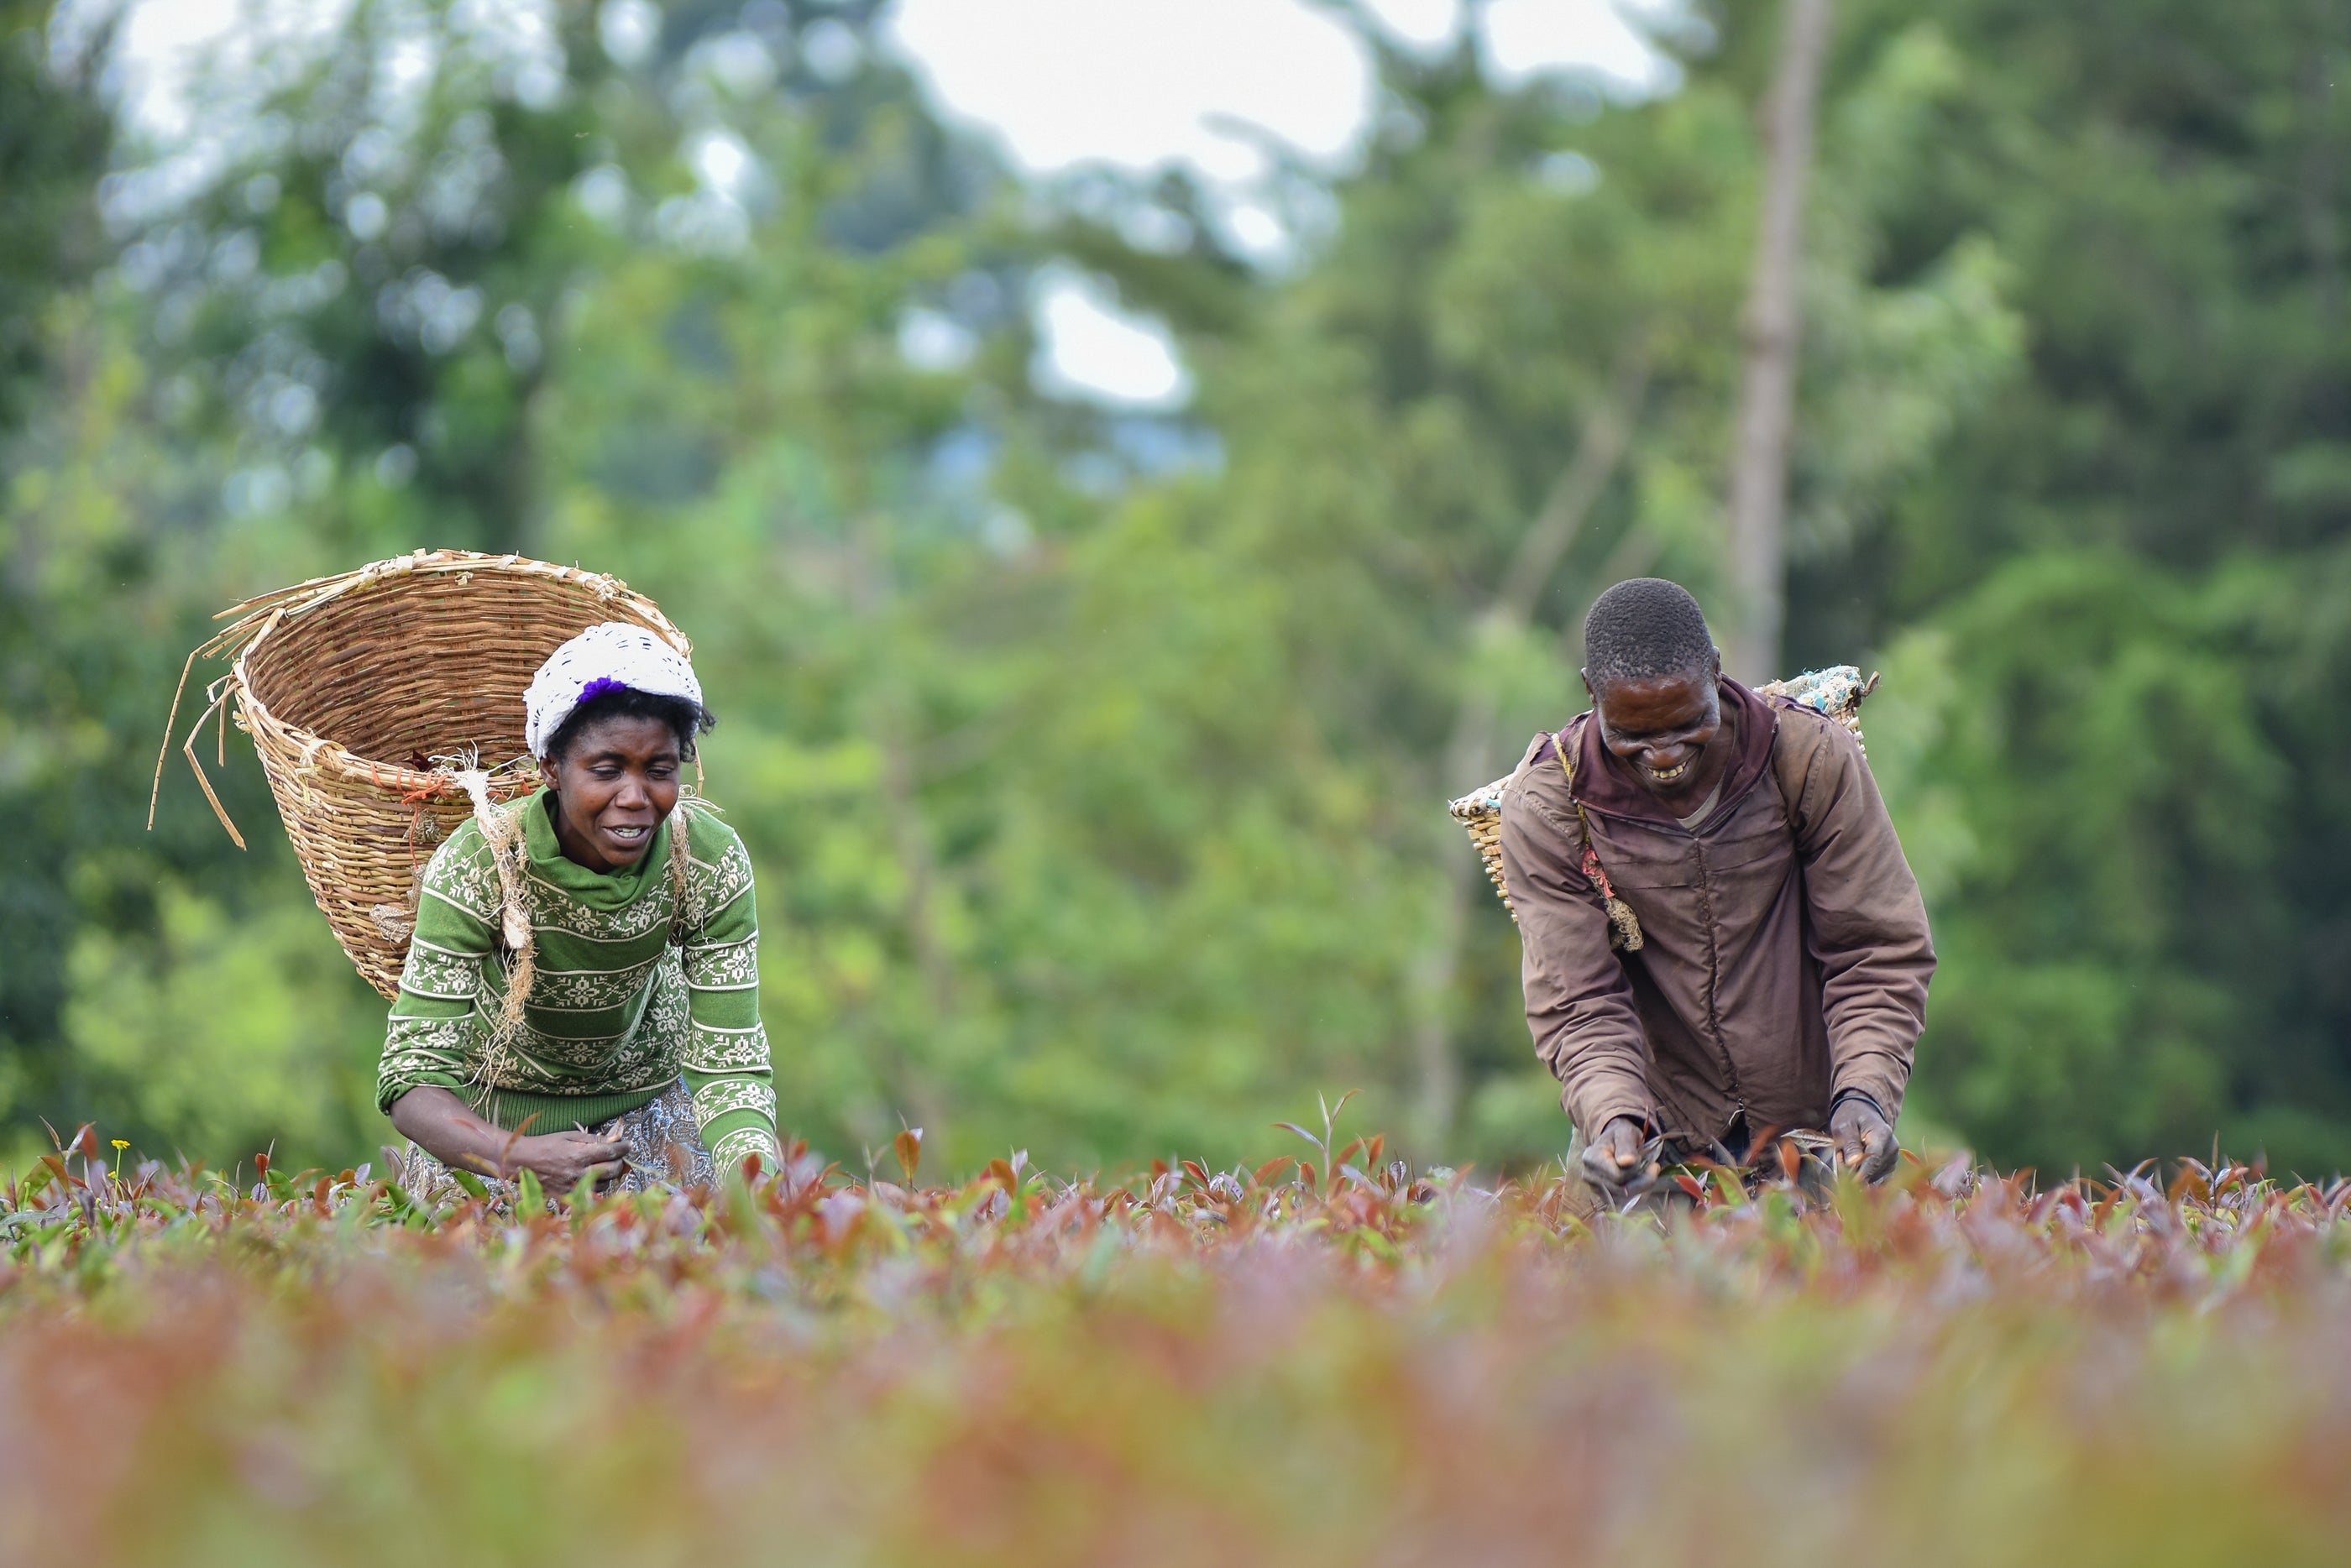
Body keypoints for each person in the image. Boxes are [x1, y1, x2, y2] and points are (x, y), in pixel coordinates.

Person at [1498, 578, 1935, 1200]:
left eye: (1687, 723)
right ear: (1591, 693)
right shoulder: (1549, 809)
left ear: (1717, 672)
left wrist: (1864, 1091)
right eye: (1633, 736)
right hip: (1652, 1136)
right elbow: (1579, 1000)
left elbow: (1875, 949)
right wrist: (1614, 1117)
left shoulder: (1807, 759)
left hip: (1817, 1130)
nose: (1665, 755)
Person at [378, 622, 781, 1197]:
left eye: (660, 770)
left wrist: (757, 1188)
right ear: (551, 767)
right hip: (488, 1127)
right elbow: (410, 1079)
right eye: (606, 769)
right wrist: (514, 1157)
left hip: (645, 1112)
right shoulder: (479, 863)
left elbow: (731, 1067)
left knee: (696, 1251)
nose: (636, 797)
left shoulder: (709, 863)